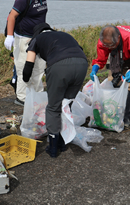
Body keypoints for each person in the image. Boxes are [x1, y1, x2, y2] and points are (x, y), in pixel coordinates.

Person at [23, 23, 88, 158]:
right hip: (82, 63)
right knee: (66, 105)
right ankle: (63, 142)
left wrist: (25, 78)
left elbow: (29, 63)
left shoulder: (38, 39)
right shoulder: (64, 35)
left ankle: (53, 148)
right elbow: (78, 50)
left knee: (53, 107)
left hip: (60, 66)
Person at [4, 0, 49, 106]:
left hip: (39, 37)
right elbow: (12, 16)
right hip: (24, 38)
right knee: (23, 67)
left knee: (39, 67)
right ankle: (22, 98)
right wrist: (10, 36)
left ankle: (37, 94)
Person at [90, 25, 130, 128]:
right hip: (116, 56)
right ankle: (113, 112)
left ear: (118, 39)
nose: (108, 48)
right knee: (111, 82)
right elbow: (100, 59)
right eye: (106, 46)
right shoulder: (104, 41)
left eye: (111, 45)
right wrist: (94, 69)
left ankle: (125, 117)